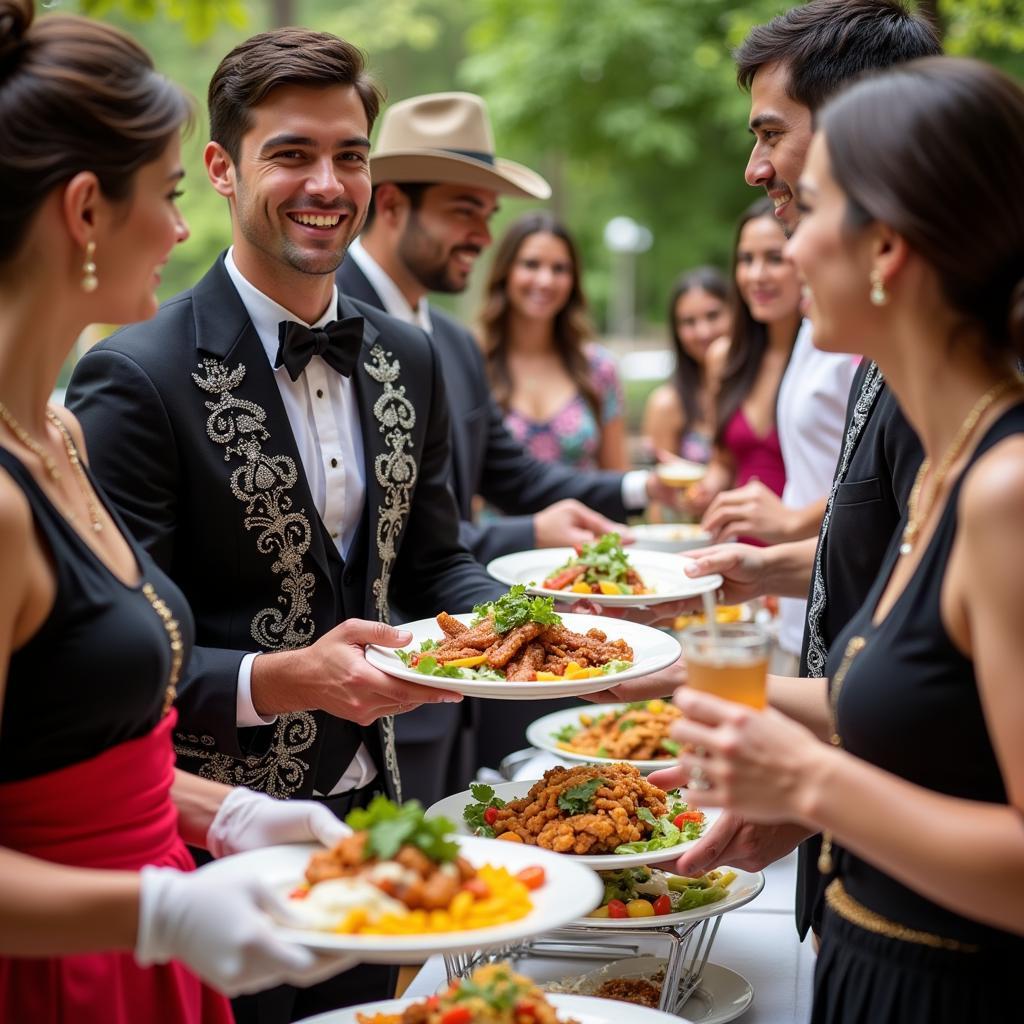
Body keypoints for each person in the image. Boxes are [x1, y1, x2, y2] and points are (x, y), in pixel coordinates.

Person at [66, 28, 507, 1024]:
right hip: (213, 844)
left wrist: (531, 635)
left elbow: (439, 560)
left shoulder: (408, 355)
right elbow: (128, 653)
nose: (328, 183)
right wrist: (283, 680)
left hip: (374, 823)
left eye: (350, 155)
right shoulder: (134, 375)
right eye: (292, 154)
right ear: (221, 168)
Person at [0, 3, 362, 1020]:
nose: (178, 227)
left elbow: (74, 748)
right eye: (164, 194)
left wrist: (230, 812)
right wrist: (159, 911)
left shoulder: (56, 437)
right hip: (59, 974)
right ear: (83, 211)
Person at [659, 56, 1024, 1023]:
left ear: (886, 249)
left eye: (811, 210)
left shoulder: (1009, 489)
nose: (783, 250)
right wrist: (660, 675)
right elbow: (922, 719)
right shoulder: (952, 462)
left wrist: (811, 782)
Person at [595, 0, 939, 945]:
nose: (756, 176)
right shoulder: (883, 357)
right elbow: (904, 612)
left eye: (771, 137)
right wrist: (761, 578)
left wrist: (810, 780)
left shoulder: (980, 434)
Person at [337, 92, 680, 795]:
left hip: (472, 678)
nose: (482, 236)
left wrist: (645, 489)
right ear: (393, 202)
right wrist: (528, 535)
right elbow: (370, 529)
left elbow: (514, 472)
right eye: (465, 210)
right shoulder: (326, 321)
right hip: (368, 690)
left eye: (489, 216)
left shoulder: (454, 345)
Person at [478, 212, 627, 471]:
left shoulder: (598, 368)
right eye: (531, 264)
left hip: (585, 511)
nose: (545, 281)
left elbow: (616, 478)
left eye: (559, 269)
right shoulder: (474, 362)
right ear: (506, 272)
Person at [688, 198, 801, 521]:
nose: (756, 275)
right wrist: (705, 489)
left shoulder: (831, 359)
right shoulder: (724, 358)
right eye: (746, 259)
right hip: (738, 553)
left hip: (806, 555)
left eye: (774, 258)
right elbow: (723, 463)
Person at [643, 265, 732, 466]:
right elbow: (661, 495)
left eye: (713, 315)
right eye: (689, 322)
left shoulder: (760, 387)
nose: (703, 332)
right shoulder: (667, 404)